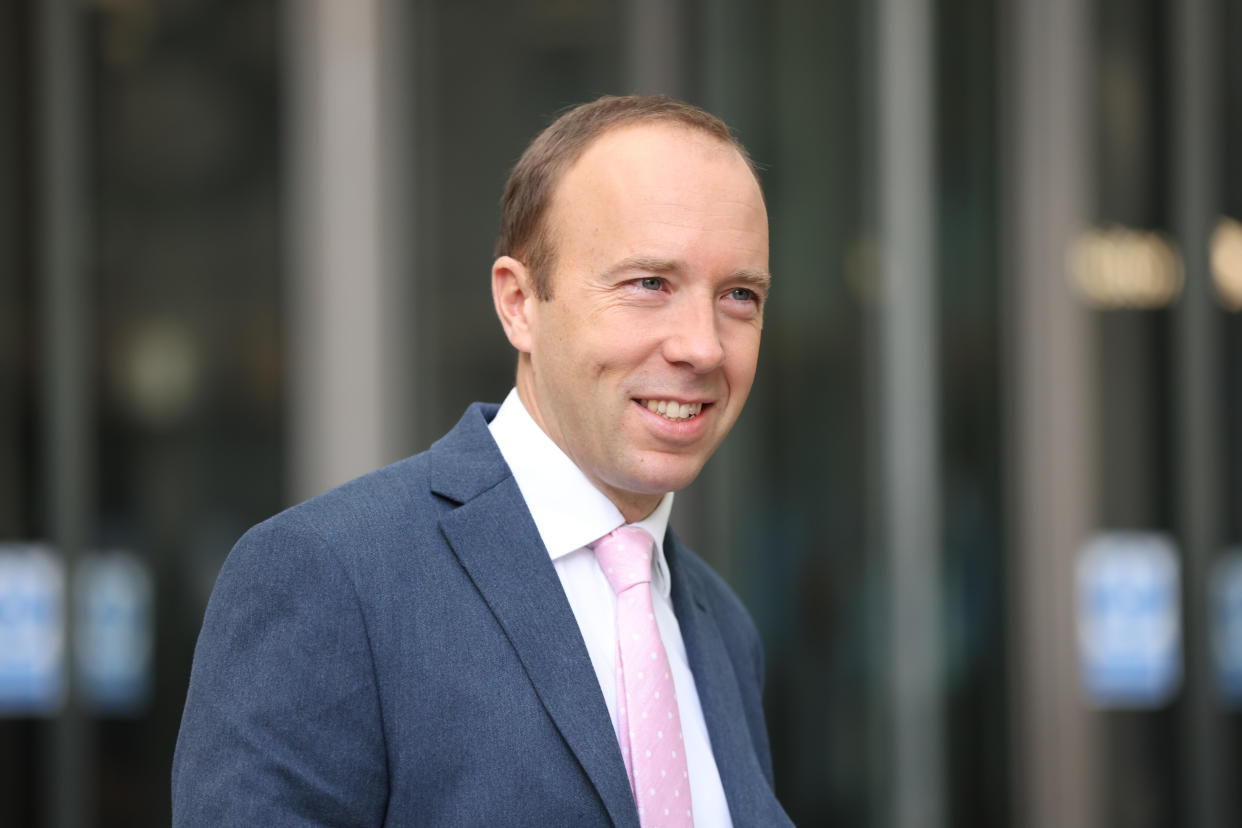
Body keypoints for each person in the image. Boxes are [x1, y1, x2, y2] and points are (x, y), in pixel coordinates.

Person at [172, 94, 792, 827]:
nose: (703, 346)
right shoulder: (329, 580)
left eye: (739, 296)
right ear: (519, 303)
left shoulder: (721, 626)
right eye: (649, 284)